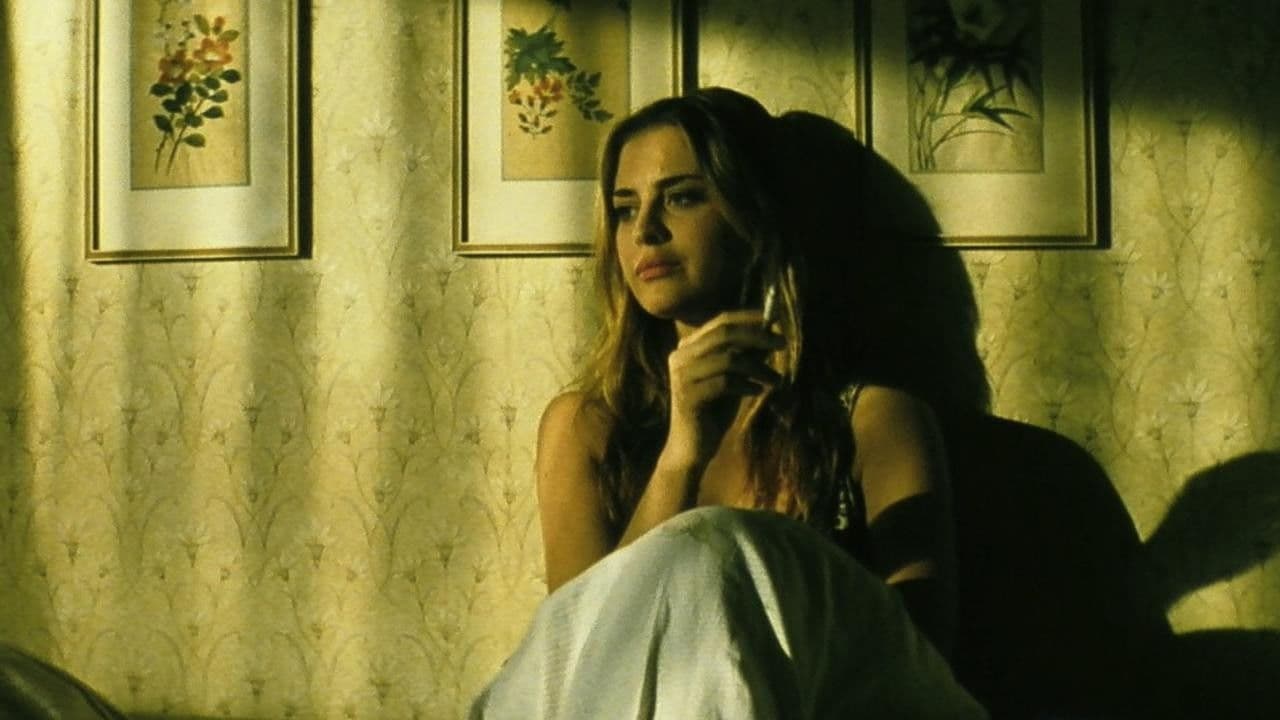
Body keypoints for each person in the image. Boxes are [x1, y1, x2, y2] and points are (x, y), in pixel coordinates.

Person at [469, 88, 987, 718]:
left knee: (718, 545)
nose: (645, 231)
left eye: (682, 197)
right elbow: (578, 660)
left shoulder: (870, 418)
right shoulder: (587, 425)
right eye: (625, 209)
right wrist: (681, 454)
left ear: (754, 216)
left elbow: (919, 662)